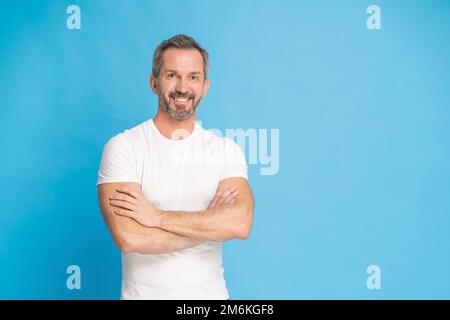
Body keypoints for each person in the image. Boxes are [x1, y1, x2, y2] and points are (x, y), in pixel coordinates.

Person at [96, 34, 254, 300]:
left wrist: (157, 218)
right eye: (172, 75)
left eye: (193, 77)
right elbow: (129, 237)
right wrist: (209, 225)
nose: (183, 87)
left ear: (205, 86)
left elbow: (240, 223)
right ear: (154, 83)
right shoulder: (124, 147)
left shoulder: (226, 151)